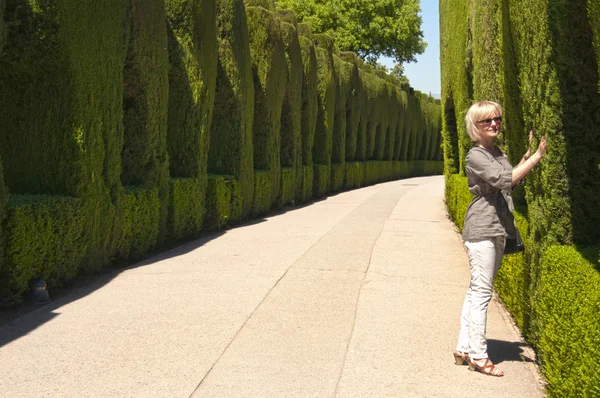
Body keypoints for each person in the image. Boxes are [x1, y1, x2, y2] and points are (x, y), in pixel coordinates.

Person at [453, 101, 547, 377]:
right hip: (482, 227)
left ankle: (463, 348)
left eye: (497, 119)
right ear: (475, 127)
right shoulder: (476, 155)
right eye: (487, 121)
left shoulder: (496, 152)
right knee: (482, 293)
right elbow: (503, 181)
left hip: (497, 227)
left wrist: (525, 158)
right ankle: (479, 356)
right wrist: (536, 158)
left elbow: (509, 178)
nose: (494, 123)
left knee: (476, 290)